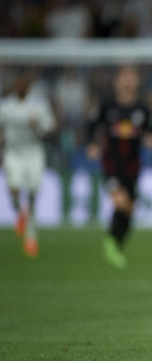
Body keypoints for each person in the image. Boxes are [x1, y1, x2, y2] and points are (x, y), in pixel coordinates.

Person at [86, 66, 152, 269]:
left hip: (133, 168)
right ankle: (110, 242)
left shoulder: (142, 109)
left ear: (136, 81)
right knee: (121, 203)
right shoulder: (107, 107)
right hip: (111, 165)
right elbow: (91, 125)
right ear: (116, 81)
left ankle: (115, 246)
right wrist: (91, 144)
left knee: (129, 209)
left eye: (131, 76)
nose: (127, 81)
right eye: (123, 76)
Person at [0, 70, 56, 257]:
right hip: (13, 153)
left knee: (32, 194)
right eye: (18, 83)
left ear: (29, 87)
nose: (21, 87)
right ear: (15, 86)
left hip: (33, 153)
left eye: (24, 84)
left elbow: (51, 130)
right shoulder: (6, 106)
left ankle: (31, 238)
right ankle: (19, 211)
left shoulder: (38, 106)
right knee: (14, 189)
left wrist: (37, 128)